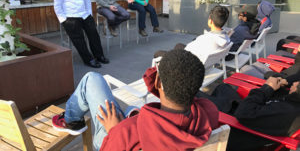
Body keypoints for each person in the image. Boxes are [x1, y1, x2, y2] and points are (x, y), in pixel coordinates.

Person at [52, 50, 219, 151]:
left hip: (116, 140)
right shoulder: (208, 112)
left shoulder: (126, 132)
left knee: (92, 79)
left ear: (158, 83)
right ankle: (72, 118)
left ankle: (71, 119)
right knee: (132, 108)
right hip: (148, 133)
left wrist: (115, 130)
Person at [198, 76, 300, 151]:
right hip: (251, 114)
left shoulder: (289, 113)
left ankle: (201, 119)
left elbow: (244, 114)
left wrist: (266, 88)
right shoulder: (292, 103)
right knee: (223, 88)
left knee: (197, 97)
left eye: (298, 84)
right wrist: (275, 87)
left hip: (237, 127)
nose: (295, 83)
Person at [54, 0, 109, 68]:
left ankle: (99, 55)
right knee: (79, 39)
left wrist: (89, 14)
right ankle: (88, 59)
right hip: (70, 17)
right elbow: (57, 6)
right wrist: (64, 20)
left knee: (94, 35)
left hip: (84, 15)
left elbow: (87, 1)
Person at [154, 5, 230, 64]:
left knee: (158, 53)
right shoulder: (226, 37)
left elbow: (188, 50)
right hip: (201, 60)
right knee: (178, 45)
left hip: (188, 64)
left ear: (210, 21)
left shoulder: (205, 38)